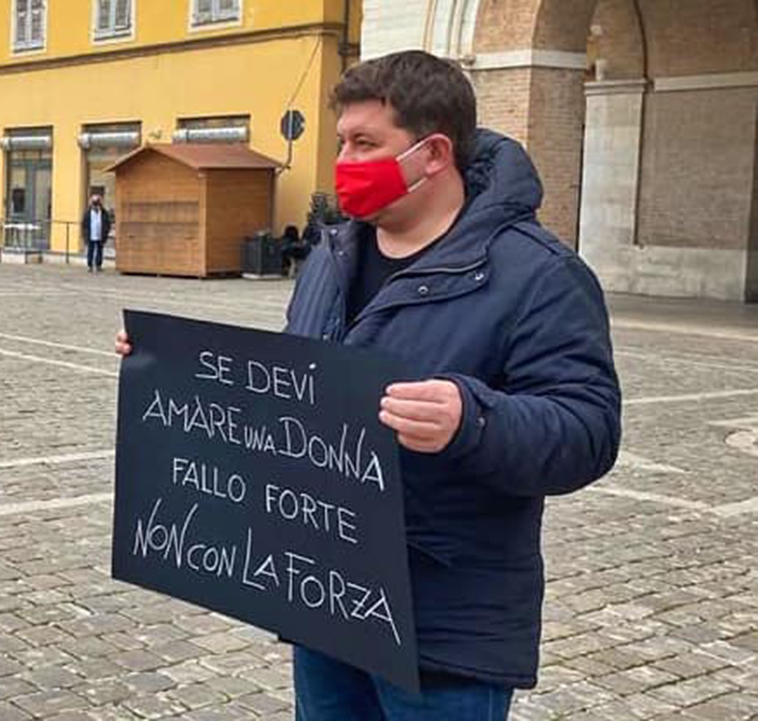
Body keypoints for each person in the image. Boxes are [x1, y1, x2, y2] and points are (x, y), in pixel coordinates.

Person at [115, 50, 621, 720]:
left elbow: (589, 429)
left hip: (443, 626)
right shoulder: (333, 256)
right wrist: (169, 367)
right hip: (328, 596)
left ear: (433, 152)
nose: (345, 162)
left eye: (365, 143)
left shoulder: (539, 276)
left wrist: (473, 419)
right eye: (341, 142)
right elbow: (292, 387)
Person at [81, 192, 113, 273]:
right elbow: (84, 224)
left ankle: (98, 265)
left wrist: (105, 233)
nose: (95, 206)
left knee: (99, 251)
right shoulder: (88, 213)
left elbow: (107, 224)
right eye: (94, 204)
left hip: (100, 235)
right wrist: (85, 235)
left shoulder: (103, 212)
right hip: (91, 234)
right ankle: (90, 266)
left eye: (97, 204)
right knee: (90, 251)